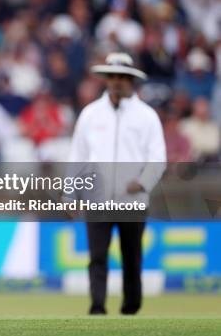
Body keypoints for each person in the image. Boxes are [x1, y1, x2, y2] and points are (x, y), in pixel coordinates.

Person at [69, 52, 166, 315]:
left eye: (122, 77)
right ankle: (97, 307)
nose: (117, 81)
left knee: (131, 258)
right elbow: (77, 156)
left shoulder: (146, 116)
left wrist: (143, 183)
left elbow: (158, 158)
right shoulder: (90, 114)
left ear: (131, 80)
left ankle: (130, 309)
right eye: (112, 76)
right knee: (97, 257)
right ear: (106, 79)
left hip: (131, 200)